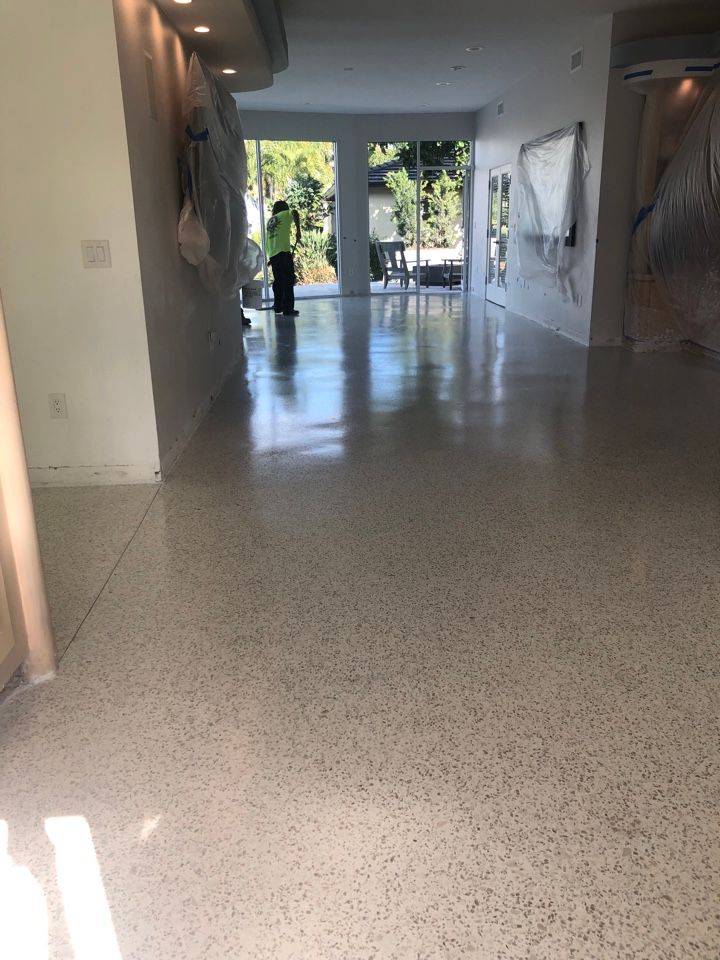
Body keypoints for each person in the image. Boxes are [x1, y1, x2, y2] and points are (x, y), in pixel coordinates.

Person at [266, 200, 301, 316]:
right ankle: (288, 309)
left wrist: (270, 258)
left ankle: (278, 306)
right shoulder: (285, 214)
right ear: (284, 208)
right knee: (288, 280)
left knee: (278, 281)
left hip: (273, 254)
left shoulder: (270, 221)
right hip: (283, 253)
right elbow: (295, 212)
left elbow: (269, 240)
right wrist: (298, 230)